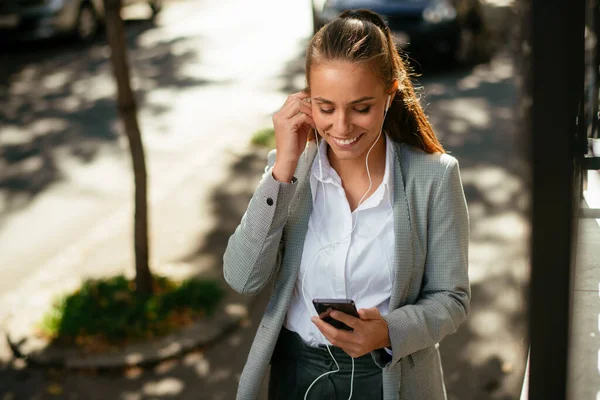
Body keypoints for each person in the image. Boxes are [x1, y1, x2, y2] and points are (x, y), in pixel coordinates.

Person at [223, 8, 469, 400]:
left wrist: (390, 330)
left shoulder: (434, 177)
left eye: (360, 107)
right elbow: (242, 277)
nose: (341, 128)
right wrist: (283, 168)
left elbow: (451, 298)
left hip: (390, 378)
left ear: (390, 95)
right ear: (306, 100)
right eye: (325, 108)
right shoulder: (287, 174)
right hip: (297, 375)